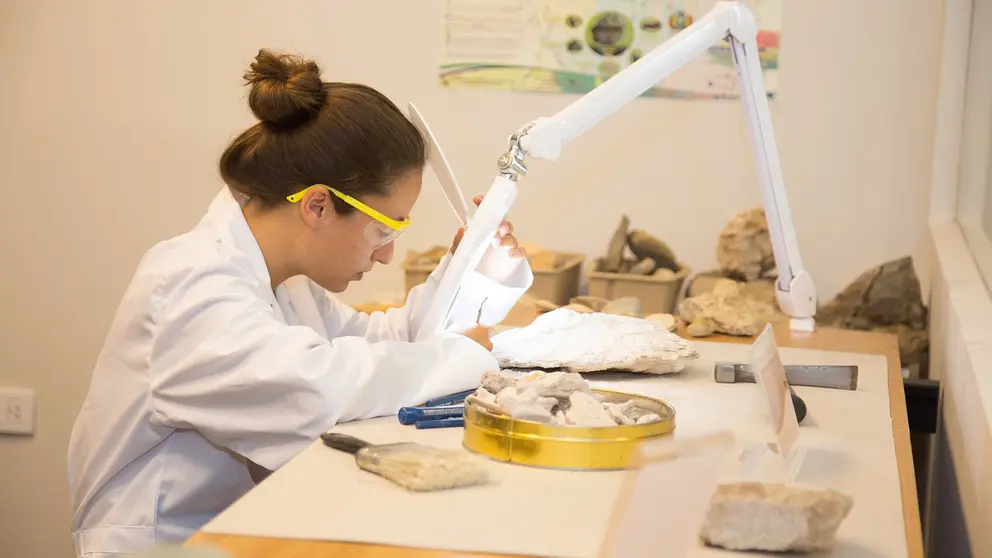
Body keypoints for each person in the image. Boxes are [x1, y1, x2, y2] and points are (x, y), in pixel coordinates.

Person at [66, 49, 533, 557]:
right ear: (316, 205)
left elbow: (382, 344)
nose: (387, 255)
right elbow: (317, 392)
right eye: (382, 229)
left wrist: (477, 276)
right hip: (163, 543)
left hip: (234, 527)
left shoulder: (282, 279)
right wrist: (464, 355)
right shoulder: (190, 286)